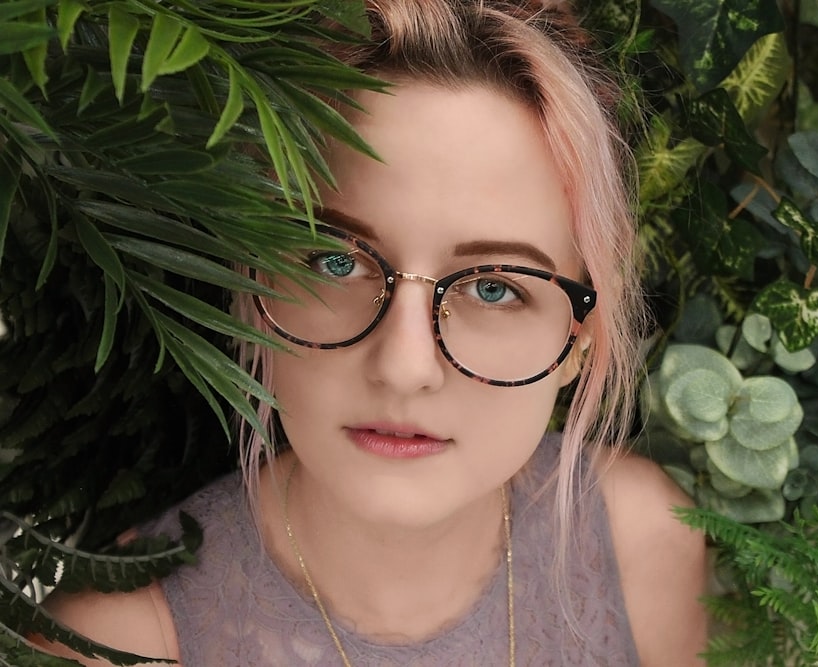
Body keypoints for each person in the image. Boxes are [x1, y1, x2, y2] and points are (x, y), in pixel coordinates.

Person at [37, 0, 707, 664]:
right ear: (249, 281)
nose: (404, 365)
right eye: (338, 261)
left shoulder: (641, 541)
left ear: (580, 333)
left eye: (493, 287)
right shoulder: (112, 640)